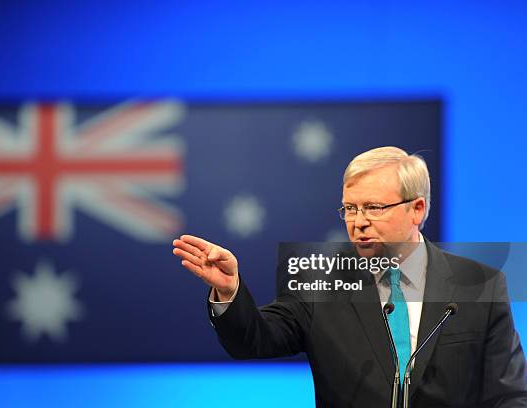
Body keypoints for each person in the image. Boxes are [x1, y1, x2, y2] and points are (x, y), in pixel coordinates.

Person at [172, 146, 527, 407]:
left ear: (417, 209)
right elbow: (256, 340)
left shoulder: (480, 284)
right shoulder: (320, 277)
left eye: (373, 207)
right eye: (350, 208)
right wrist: (230, 292)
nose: (358, 222)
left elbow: (509, 394)